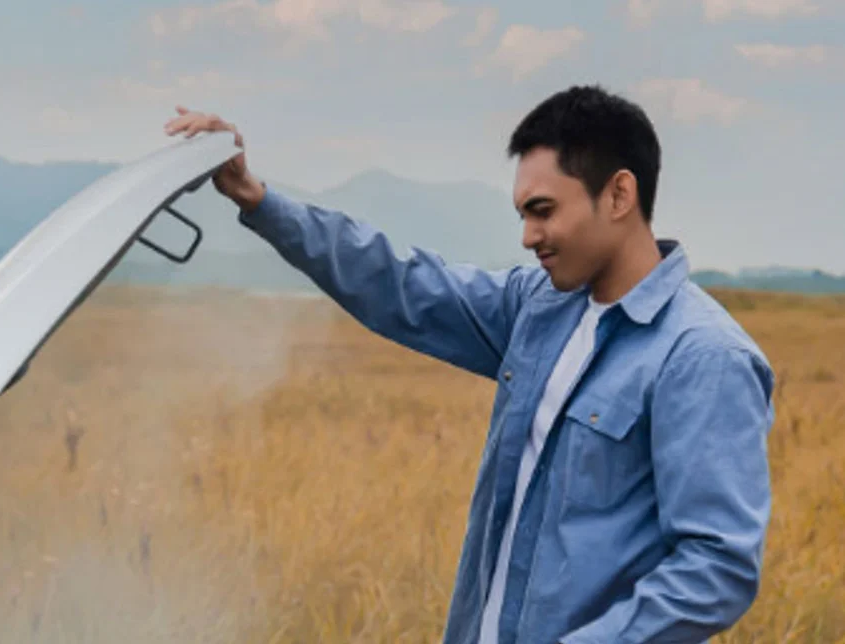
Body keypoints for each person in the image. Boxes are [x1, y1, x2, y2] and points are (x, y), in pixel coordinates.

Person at [163, 85, 775, 644]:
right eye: (523, 215)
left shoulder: (703, 357)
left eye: (543, 210)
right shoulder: (539, 309)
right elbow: (398, 282)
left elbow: (716, 566)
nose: (529, 237)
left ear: (619, 194)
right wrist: (258, 199)